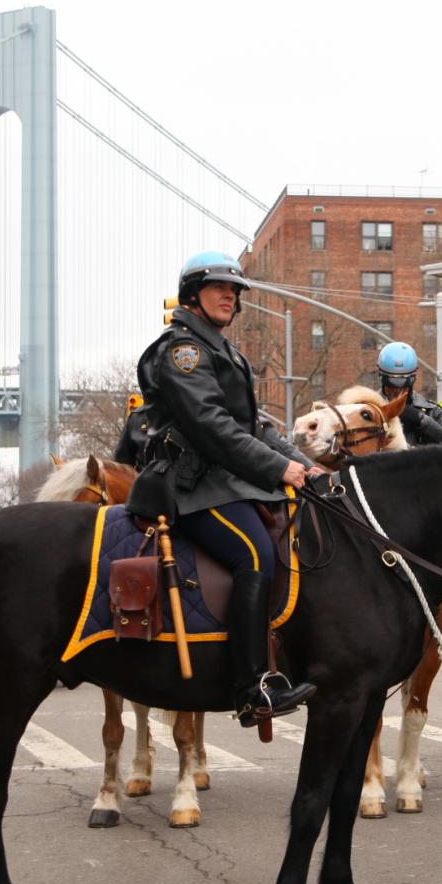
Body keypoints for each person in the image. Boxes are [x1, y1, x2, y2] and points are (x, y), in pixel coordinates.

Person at [127, 251, 321, 728]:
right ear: (192, 294)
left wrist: (306, 467)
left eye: (234, 291)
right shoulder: (183, 351)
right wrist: (278, 469)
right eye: (219, 287)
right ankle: (249, 689)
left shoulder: (220, 349)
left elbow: (255, 428)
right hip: (188, 485)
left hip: (222, 481)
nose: (230, 297)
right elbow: (212, 427)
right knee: (253, 554)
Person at [375, 341, 442, 447]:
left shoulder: (431, 411)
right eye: (391, 384)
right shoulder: (365, 409)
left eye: (404, 385)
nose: (397, 390)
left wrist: (421, 419)